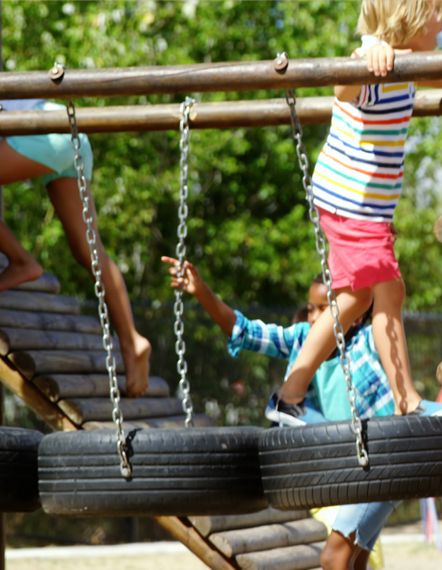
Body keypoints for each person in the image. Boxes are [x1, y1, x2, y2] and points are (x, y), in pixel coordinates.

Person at [274, 0, 442, 421]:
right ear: (409, 16)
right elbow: (342, 88)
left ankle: (290, 394)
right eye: (436, 13)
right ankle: (405, 400)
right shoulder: (374, 61)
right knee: (383, 295)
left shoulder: (409, 62)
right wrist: (367, 58)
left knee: (359, 298)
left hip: (363, 208)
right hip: (352, 205)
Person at [163, 257, 398, 570]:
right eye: (311, 309)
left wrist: (377, 253)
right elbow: (243, 330)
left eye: (325, 309)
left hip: (381, 461)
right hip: (346, 468)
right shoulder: (302, 340)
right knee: (356, 560)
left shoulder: (367, 343)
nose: (313, 318)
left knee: (335, 558)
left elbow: (388, 309)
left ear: (353, 315)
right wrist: (202, 290)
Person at [0, 99, 151, 397]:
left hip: (42, 132)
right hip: (67, 130)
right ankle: (132, 340)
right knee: (88, 248)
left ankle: (20, 261)